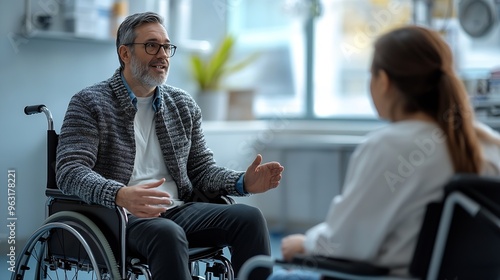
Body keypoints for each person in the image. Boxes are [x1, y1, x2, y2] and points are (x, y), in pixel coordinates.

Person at [56, 11, 284, 280]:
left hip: (177, 209)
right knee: (166, 232)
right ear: (125, 54)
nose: (163, 55)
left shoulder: (183, 104)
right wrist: (120, 194)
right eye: (152, 45)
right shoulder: (89, 103)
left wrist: (242, 182)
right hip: (119, 217)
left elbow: (202, 171)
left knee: (250, 219)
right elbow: (70, 171)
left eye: (166, 46)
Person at [267, 25, 500, 280]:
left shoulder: (389, 145)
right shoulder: (488, 144)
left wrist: (305, 243)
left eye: (370, 75)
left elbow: (343, 244)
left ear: (384, 81)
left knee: (276, 275)